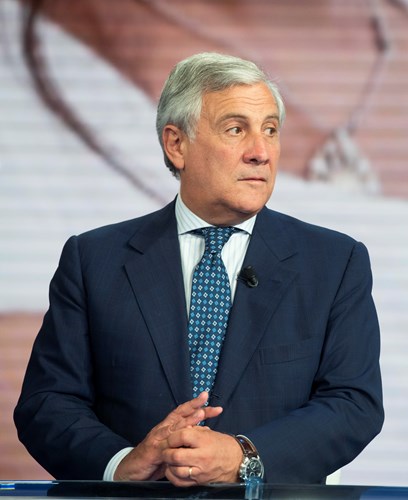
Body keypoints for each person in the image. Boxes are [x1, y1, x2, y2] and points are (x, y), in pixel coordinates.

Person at [14, 52, 384, 486]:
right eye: (236, 129)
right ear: (177, 144)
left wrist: (244, 456)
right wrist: (121, 464)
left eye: (270, 130)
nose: (261, 153)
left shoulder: (334, 262)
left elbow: (353, 403)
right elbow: (48, 403)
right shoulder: (94, 259)